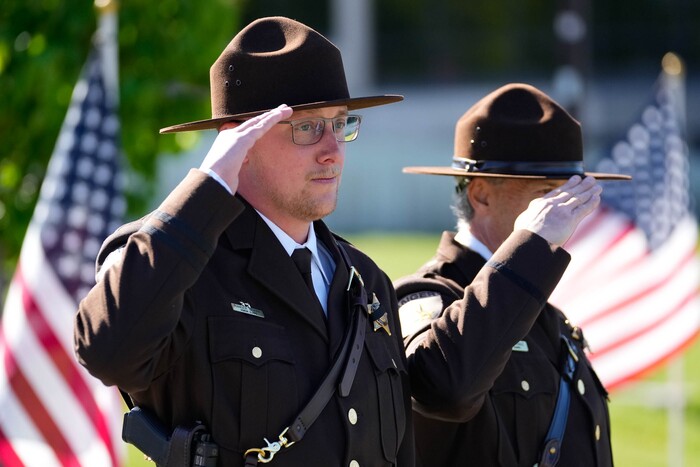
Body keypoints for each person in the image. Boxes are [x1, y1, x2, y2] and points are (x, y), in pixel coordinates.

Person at [73, 16, 602, 467]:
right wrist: (208, 187)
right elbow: (108, 350)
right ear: (240, 141)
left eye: (340, 124)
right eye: (307, 129)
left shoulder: (362, 280)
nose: (333, 151)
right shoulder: (178, 262)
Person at [396, 83, 629, 467]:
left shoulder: (546, 315)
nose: (568, 212)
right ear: (482, 194)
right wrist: (530, 245)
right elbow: (444, 388)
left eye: (572, 195)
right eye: (549, 194)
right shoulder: (430, 295)